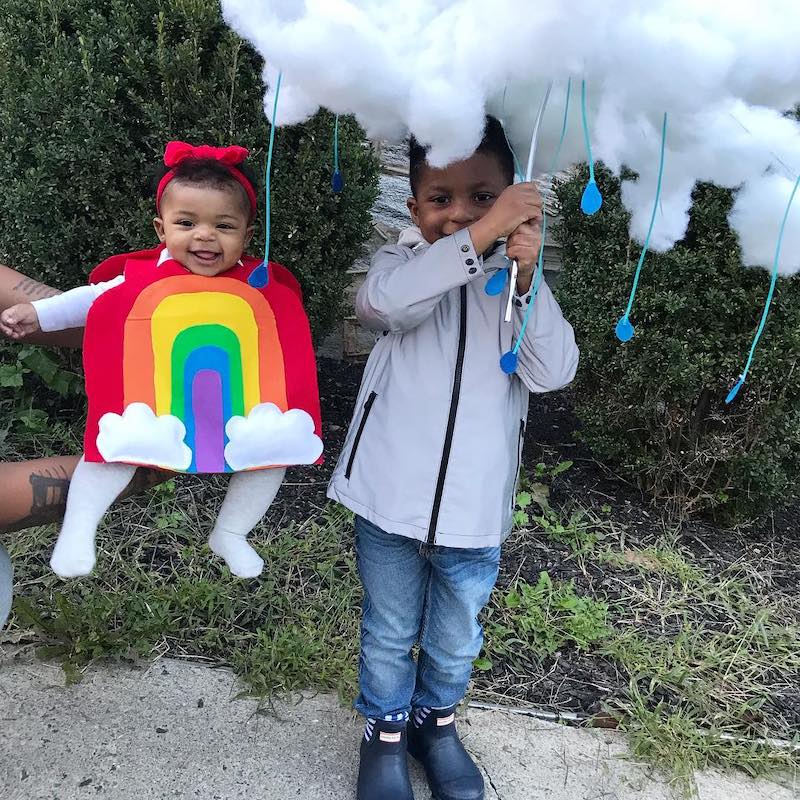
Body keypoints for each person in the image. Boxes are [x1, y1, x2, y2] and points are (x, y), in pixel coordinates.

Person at [327, 116, 579, 800]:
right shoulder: (402, 264)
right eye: (442, 199)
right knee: (388, 630)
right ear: (414, 209)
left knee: (456, 637)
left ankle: (434, 725)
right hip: (387, 497)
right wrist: (480, 233)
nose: (461, 212)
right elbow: (383, 306)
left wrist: (526, 281)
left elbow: (553, 371)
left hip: (473, 510)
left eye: (483, 196)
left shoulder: (512, 283)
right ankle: (382, 732)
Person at [0, 141, 322, 579]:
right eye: (186, 222)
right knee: (115, 448)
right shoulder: (143, 278)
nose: (204, 235)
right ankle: (79, 529)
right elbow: (91, 299)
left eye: (223, 225)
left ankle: (231, 531)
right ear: (161, 228)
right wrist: (37, 312)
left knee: (275, 452)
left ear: (247, 235)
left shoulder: (258, 285)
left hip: (238, 399)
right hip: (154, 395)